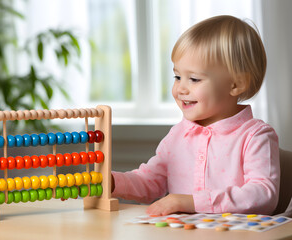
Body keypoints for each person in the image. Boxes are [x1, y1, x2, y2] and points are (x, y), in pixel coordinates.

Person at [111, 15, 280, 216]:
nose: (181, 88)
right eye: (177, 76)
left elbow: (263, 194)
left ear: (235, 85)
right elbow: (149, 182)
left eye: (193, 79)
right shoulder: (177, 135)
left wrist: (191, 202)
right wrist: (112, 181)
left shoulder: (255, 136)